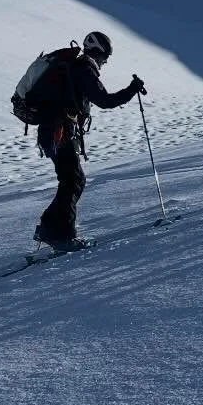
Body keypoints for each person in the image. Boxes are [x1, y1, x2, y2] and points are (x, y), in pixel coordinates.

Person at [34, 30, 146, 249]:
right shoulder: (84, 70)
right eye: (105, 57)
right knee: (73, 180)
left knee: (72, 180)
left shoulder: (76, 68)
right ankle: (62, 236)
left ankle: (49, 228)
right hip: (59, 132)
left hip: (54, 131)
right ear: (97, 52)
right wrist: (131, 90)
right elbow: (104, 100)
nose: (105, 63)